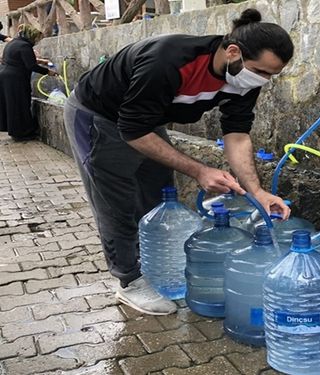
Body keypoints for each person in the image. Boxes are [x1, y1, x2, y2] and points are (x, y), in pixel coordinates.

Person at [63, 8, 294, 315]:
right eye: (261, 71)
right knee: (116, 201)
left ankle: (153, 265)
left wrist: (257, 192)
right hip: (99, 115)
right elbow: (132, 131)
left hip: (146, 120)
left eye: (272, 75)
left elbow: (237, 135)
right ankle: (128, 281)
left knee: (159, 195)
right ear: (233, 52)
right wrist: (199, 170)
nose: (264, 81)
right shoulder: (168, 61)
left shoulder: (242, 80)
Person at [0, 24, 57, 141]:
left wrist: (42, 62)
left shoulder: (14, 43)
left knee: (12, 104)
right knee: (20, 104)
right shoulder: (24, 46)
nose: (37, 42)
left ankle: (15, 131)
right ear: (32, 37)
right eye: (36, 39)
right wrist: (48, 72)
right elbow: (31, 65)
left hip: (6, 76)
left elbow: (20, 59)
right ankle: (23, 132)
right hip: (15, 79)